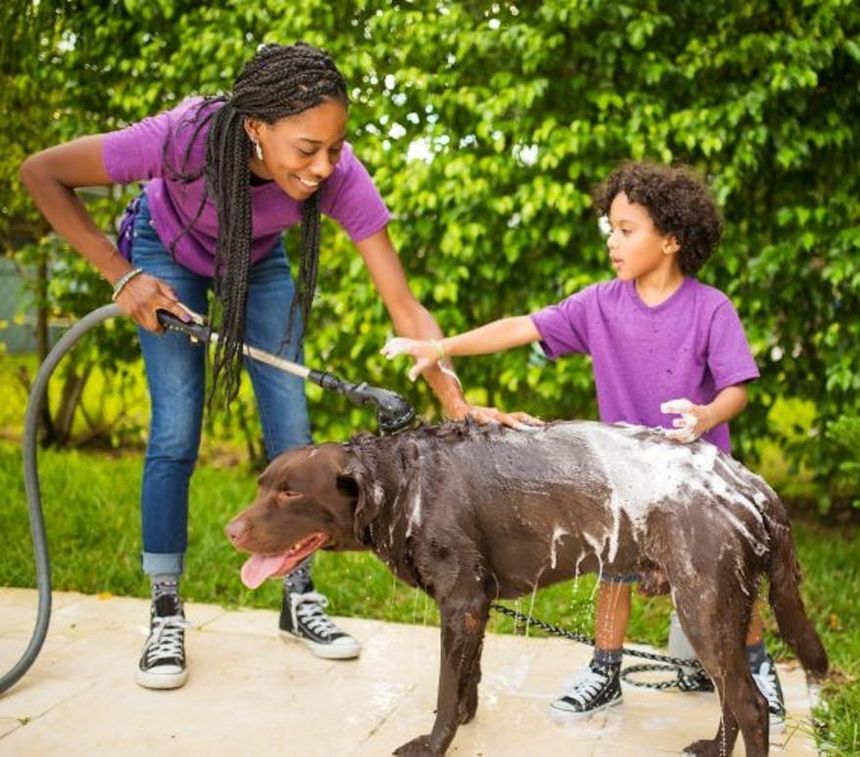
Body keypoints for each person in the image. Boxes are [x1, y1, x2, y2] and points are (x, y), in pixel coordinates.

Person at [19, 42, 520, 691]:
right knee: (174, 431)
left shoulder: (339, 174)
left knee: (294, 428)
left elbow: (404, 304)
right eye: (307, 148)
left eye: (335, 148)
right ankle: (166, 606)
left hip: (256, 262)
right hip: (162, 254)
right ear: (256, 127)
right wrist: (123, 276)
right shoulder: (185, 138)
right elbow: (40, 172)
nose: (324, 166)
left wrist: (453, 399)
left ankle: (297, 595)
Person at [382, 161, 787, 728]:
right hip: (622, 478)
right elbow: (521, 326)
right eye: (611, 228)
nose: (613, 242)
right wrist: (441, 346)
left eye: (627, 230)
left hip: (694, 477)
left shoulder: (710, 308)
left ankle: (756, 664)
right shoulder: (599, 304)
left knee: (720, 577)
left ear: (671, 239)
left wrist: (706, 414)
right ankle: (605, 670)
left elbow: (737, 387)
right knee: (612, 569)